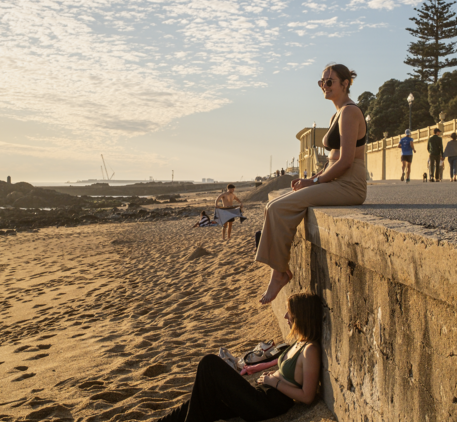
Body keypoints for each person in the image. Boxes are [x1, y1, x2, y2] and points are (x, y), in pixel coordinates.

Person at [256, 63, 367, 304]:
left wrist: (314, 181)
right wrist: (313, 177)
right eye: (321, 82)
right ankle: (279, 270)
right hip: (335, 180)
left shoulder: (350, 112)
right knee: (272, 206)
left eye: (329, 82)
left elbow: (346, 161)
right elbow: (333, 159)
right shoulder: (336, 113)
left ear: (345, 83)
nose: (324, 86)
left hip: (349, 185)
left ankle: (279, 273)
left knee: (278, 208)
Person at [154, 292, 323, 422]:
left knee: (209, 364)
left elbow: (307, 396)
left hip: (266, 405)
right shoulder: (299, 342)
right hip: (259, 394)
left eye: (290, 313)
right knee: (202, 398)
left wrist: (275, 382)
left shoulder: (311, 351)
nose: (286, 316)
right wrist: (266, 375)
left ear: (301, 317)